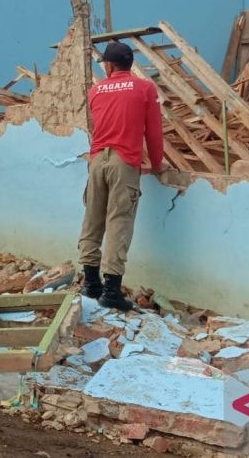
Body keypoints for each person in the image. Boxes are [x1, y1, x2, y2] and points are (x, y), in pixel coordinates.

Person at [78, 42, 164, 311]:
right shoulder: (144, 88)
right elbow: (153, 132)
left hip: (97, 160)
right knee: (119, 221)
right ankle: (112, 290)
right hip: (124, 160)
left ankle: (91, 283)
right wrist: (157, 164)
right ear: (129, 64)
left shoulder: (95, 91)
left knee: (92, 218)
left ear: (109, 65)